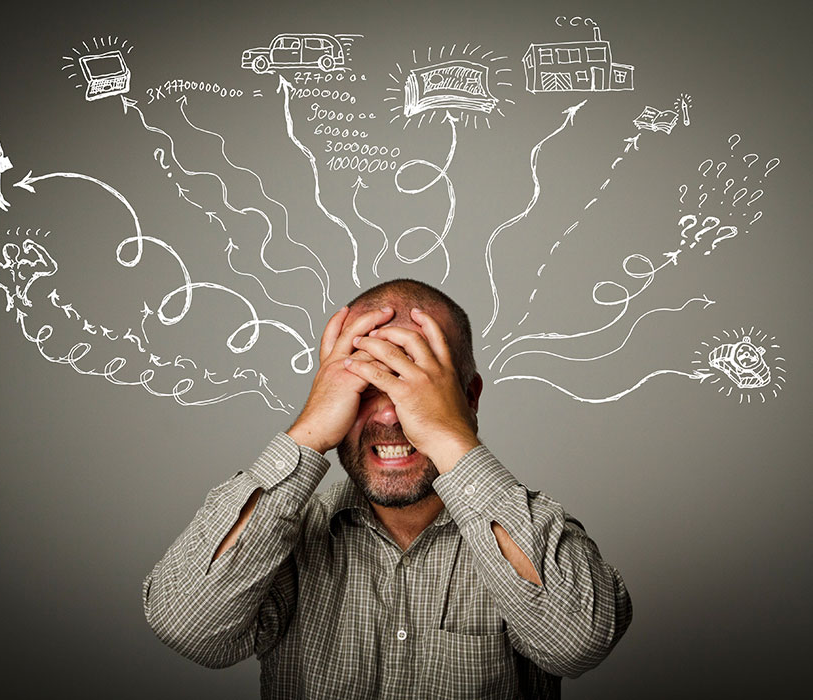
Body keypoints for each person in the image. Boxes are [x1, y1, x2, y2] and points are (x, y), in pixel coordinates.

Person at [143, 278, 632, 699]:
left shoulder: (529, 531)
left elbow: (578, 643)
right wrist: (309, 432)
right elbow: (188, 627)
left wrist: (448, 435)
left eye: (413, 380)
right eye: (365, 383)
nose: (391, 413)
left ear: (470, 397)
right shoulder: (288, 539)